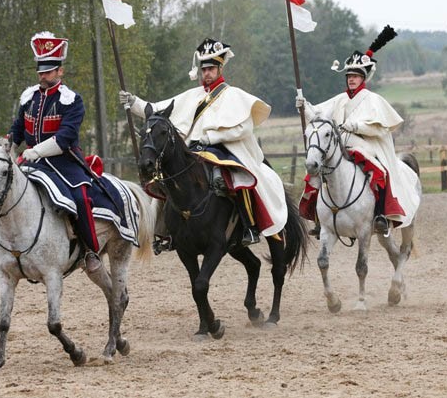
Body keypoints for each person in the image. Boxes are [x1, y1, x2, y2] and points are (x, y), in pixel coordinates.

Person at [119, 38, 288, 251]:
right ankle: (164, 232)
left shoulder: (234, 95)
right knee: (167, 178)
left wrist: (212, 137)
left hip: (224, 149)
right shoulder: (193, 95)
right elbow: (155, 109)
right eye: (204, 69)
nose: (206, 73)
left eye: (211, 69)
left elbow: (243, 129)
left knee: (237, 176)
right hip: (194, 150)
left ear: (219, 68)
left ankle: (249, 226)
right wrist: (133, 101)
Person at [0, 31, 107, 276]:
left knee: (80, 197)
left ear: (60, 71)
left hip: (65, 163)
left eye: (48, 71)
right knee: (2, 195)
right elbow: (17, 131)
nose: (43, 76)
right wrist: (2, 148)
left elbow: (65, 138)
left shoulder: (72, 100)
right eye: (40, 71)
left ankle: (89, 251)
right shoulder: (29, 98)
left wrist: (35, 151)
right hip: (32, 164)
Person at [296, 25, 420, 238]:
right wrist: (304, 104)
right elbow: (317, 114)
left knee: (379, 172)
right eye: (349, 76)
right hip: (341, 146)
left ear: (363, 78)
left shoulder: (373, 100)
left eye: (356, 76)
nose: (351, 79)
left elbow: (380, 127)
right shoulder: (340, 99)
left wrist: (356, 126)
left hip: (366, 146)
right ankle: (320, 218)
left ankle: (381, 215)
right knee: (317, 171)